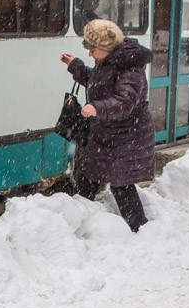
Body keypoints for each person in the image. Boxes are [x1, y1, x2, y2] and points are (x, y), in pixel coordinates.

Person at [60, 19, 154, 232]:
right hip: (106, 134)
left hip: (126, 136)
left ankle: (140, 230)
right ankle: (76, 224)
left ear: (106, 48)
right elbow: (98, 82)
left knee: (121, 185)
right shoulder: (109, 62)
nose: (90, 54)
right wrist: (76, 66)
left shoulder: (130, 69)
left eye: (93, 49)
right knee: (88, 176)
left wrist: (97, 108)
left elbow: (125, 101)